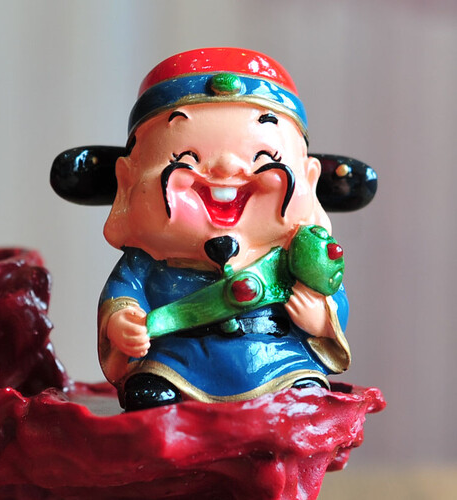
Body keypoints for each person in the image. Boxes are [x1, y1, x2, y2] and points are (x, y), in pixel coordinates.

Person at [98, 48, 350, 411]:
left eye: (264, 158)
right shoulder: (146, 261)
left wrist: (320, 318)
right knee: (150, 400)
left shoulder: (297, 255)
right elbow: (123, 293)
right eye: (185, 159)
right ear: (128, 182)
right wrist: (121, 322)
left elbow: (333, 295)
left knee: (304, 404)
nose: (227, 168)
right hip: (177, 361)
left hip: (279, 360)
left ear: (309, 182)